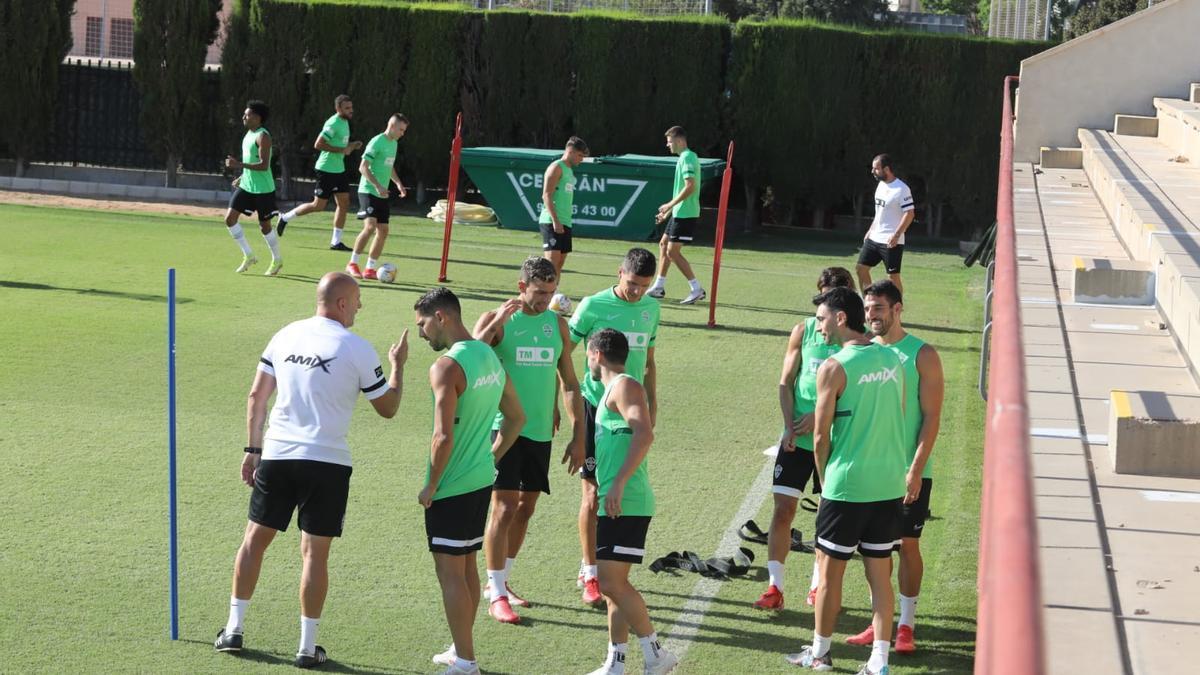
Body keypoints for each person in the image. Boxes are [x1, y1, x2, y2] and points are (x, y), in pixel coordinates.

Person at [214, 272, 407, 668]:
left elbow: (257, 396)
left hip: (279, 455)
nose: (360, 307)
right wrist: (398, 366)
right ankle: (306, 647)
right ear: (340, 303)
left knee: (254, 541)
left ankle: (233, 629)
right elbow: (387, 408)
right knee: (314, 556)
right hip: (328, 463)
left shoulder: (285, 336)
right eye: (357, 300)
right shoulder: (358, 348)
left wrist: (253, 449)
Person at [786, 287, 906, 675]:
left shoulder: (833, 367)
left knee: (829, 573)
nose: (816, 327)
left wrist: (824, 482)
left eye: (821, 319)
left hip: (847, 486)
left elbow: (820, 437)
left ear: (840, 318)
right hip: (889, 485)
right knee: (879, 573)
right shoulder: (894, 357)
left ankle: (820, 653)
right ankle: (880, 661)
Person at [471, 256, 587, 624]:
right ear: (521, 287)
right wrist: (495, 325)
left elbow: (569, 382)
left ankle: (499, 582)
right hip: (502, 427)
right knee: (503, 507)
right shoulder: (498, 320)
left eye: (551, 292)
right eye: (539, 292)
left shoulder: (557, 325)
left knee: (525, 508)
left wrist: (579, 433)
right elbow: (469, 359)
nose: (545, 300)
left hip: (539, 432)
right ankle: (496, 593)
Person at [415, 287, 525, 675]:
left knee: (450, 574)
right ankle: (460, 647)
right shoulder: (488, 357)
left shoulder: (446, 367)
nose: (422, 332)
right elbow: (517, 418)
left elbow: (442, 437)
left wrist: (431, 485)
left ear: (441, 317)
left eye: (423, 324)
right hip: (481, 480)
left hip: (452, 485)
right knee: (466, 568)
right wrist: (491, 457)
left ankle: (465, 662)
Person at [844, 280, 944, 655]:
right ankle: (879, 622)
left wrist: (916, 468)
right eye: (868, 309)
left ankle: (906, 624)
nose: (871, 316)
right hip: (871, 471)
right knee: (875, 551)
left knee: (908, 545)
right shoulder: (861, 353)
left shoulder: (922, 354)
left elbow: (932, 417)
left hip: (908, 471)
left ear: (898, 309)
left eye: (879, 309)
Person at [753, 267, 855, 613]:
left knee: (827, 517)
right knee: (783, 510)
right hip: (796, 440)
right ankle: (774, 587)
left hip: (835, 439)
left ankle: (817, 587)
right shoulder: (804, 331)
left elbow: (856, 393)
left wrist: (822, 415)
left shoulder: (856, 343)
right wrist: (788, 425)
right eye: (826, 295)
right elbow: (786, 381)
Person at [567, 248, 660, 606]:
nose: (637, 292)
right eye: (632, 283)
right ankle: (590, 571)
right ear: (619, 272)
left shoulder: (652, 309)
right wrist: (571, 403)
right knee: (592, 495)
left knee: (625, 486)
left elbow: (649, 363)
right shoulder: (592, 305)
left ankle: (610, 565)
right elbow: (566, 352)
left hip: (632, 408)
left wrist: (652, 406)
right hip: (596, 409)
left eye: (644, 286)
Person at [583, 329, 678, 675]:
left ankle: (656, 653)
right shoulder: (611, 389)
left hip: (628, 501)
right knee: (614, 587)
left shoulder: (625, 386)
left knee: (610, 583)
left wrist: (619, 484)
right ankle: (616, 662)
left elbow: (645, 432)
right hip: (616, 500)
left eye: (587, 356)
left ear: (596, 354)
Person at [276, 95, 364, 250]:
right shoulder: (333, 123)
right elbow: (319, 144)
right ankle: (285, 218)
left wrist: (351, 145)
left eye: (351, 107)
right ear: (338, 109)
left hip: (339, 170)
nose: (351, 111)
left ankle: (336, 242)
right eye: (347, 108)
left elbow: (338, 144)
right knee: (318, 206)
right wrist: (343, 149)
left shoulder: (344, 122)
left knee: (344, 203)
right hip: (326, 170)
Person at [346, 114, 409, 281]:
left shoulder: (394, 143)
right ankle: (352, 263)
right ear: (392, 126)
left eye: (404, 130)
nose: (403, 133)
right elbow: (363, 167)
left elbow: (389, 166)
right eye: (401, 129)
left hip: (382, 192)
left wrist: (398, 183)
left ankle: (370, 269)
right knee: (370, 226)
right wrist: (377, 186)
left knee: (383, 230)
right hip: (368, 190)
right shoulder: (376, 142)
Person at [647, 126, 706, 306]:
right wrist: (668, 211)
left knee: (673, 252)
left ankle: (696, 289)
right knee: (664, 244)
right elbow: (682, 189)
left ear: (680, 141)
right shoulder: (684, 158)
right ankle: (658, 287)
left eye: (670, 141)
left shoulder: (688, 157)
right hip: (679, 212)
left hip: (686, 214)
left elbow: (690, 186)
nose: (668, 145)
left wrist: (670, 205)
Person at [223, 100, 282, 276]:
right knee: (229, 219)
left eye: (247, 114)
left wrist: (238, 164)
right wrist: (242, 176)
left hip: (263, 189)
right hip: (247, 186)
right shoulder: (248, 134)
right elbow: (252, 159)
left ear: (257, 118)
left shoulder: (263, 136)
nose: (244, 117)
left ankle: (277, 259)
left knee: (264, 226)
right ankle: (248, 255)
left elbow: (264, 165)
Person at [857, 154, 914, 295]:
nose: (872, 171)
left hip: (892, 241)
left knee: (893, 278)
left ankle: (897, 310)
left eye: (876, 168)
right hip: (874, 238)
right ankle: (869, 303)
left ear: (886, 169)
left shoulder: (902, 189)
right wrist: (870, 230)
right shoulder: (880, 185)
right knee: (861, 269)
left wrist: (896, 235)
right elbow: (879, 212)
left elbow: (910, 214)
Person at [538, 136, 589, 280]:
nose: (581, 159)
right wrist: (555, 220)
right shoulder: (556, 167)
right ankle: (539, 293)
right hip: (552, 220)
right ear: (570, 151)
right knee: (551, 264)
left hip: (566, 221)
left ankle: (553, 295)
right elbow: (546, 195)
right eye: (580, 155)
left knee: (559, 264)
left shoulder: (569, 171)